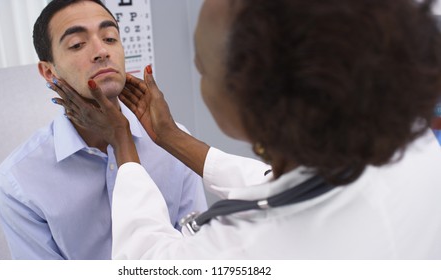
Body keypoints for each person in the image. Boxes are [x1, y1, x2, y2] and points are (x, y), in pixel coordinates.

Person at [52, 0, 441, 259]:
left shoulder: (248, 248)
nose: (101, 51)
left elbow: (147, 261)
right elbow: (298, 184)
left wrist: (123, 141)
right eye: (76, 43)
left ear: (253, 102)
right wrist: (169, 135)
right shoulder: (411, 137)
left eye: (201, 68)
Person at [0, 0, 207, 260]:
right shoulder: (19, 180)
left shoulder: (174, 144)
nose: (101, 51)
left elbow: (198, 254)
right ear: (49, 72)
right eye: (77, 44)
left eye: (109, 38)